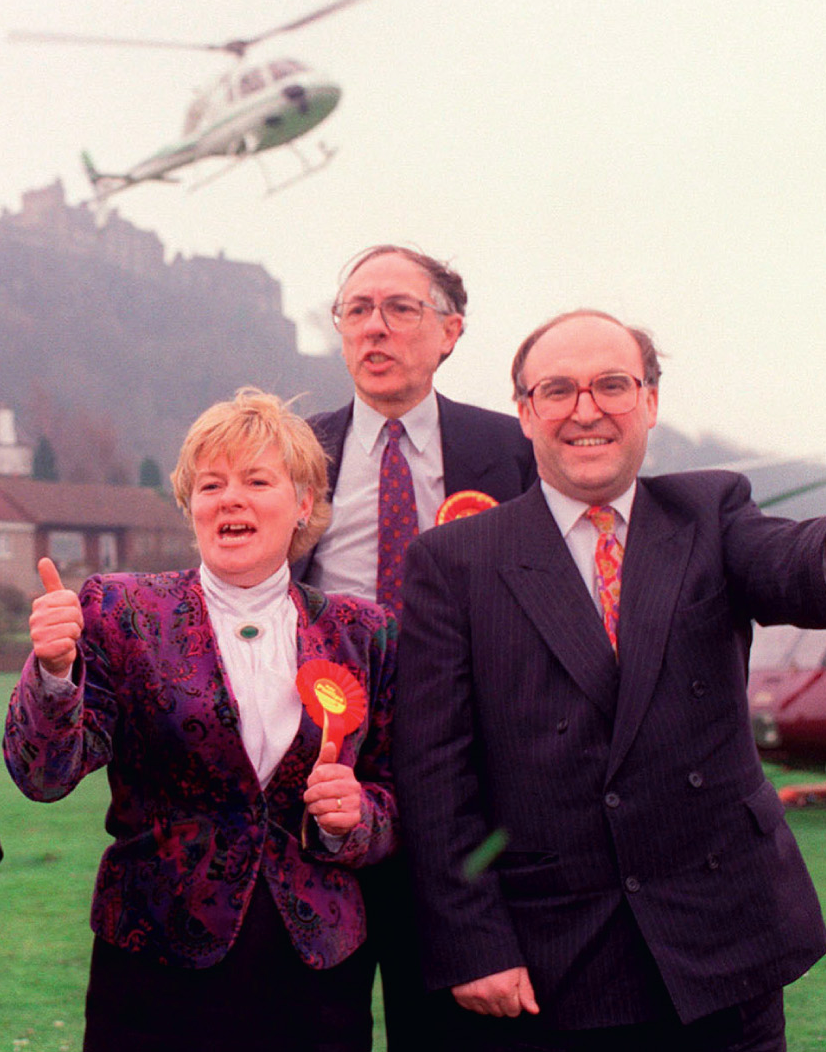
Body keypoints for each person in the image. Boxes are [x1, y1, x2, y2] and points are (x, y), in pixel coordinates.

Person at [393, 309, 826, 1051]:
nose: (587, 409)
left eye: (612, 384)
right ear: (524, 412)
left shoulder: (711, 510)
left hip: (723, 948)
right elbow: (434, 773)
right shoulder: (455, 561)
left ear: (650, 401)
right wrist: (474, 944)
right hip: (554, 962)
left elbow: (799, 572)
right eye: (558, 390)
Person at [5, 389, 398, 1051]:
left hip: (316, 974)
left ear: (305, 503)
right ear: (191, 506)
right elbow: (44, 775)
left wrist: (358, 817)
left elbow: (402, 798)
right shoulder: (122, 612)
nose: (230, 498)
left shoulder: (365, 633)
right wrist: (51, 670)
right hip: (155, 969)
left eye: (256, 480)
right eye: (210, 484)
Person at [296, 243, 536, 1049]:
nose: (376, 327)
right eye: (357, 310)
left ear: (450, 331)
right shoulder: (292, 453)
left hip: (472, 780)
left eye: (401, 309)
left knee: (454, 1022)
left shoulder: (515, 452)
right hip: (323, 779)